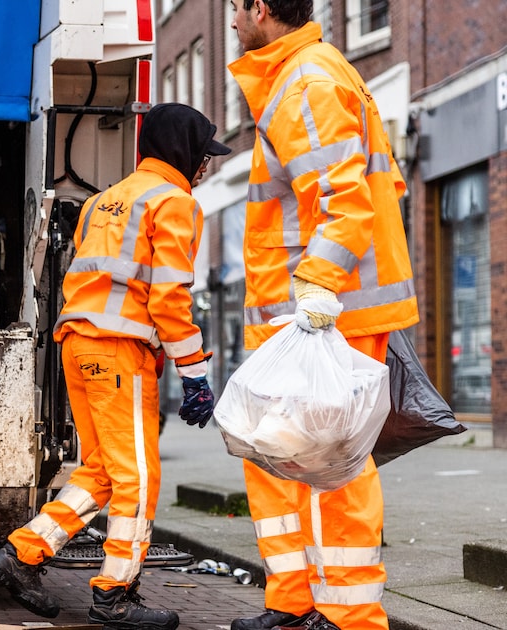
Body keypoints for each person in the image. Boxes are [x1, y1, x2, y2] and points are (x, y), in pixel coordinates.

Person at [0, 102, 230, 630]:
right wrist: (194, 373)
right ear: (182, 151)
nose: (205, 166)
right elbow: (168, 298)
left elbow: (84, 275)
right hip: (120, 352)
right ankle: (114, 594)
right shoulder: (175, 203)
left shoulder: (104, 202)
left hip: (78, 344)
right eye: (203, 155)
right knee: (138, 477)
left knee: (101, 472)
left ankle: (21, 555)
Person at [226, 2, 420, 630]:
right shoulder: (301, 76)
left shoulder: (306, 81)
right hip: (307, 316)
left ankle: (349, 616)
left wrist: (314, 291)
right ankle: (296, 602)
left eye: (234, 6)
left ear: (260, 8)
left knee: (328, 467)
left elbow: (344, 200)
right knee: (284, 460)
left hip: (321, 316)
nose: (231, 19)